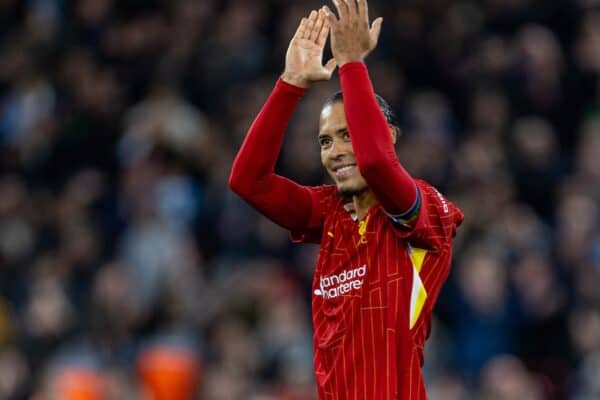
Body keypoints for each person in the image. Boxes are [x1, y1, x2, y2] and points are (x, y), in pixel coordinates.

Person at [229, 1, 464, 398]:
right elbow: (247, 181)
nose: (335, 151)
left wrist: (352, 62)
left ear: (388, 135)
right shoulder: (329, 214)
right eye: (325, 141)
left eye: (347, 134)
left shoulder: (426, 214)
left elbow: (375, 163)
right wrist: (290, 83)